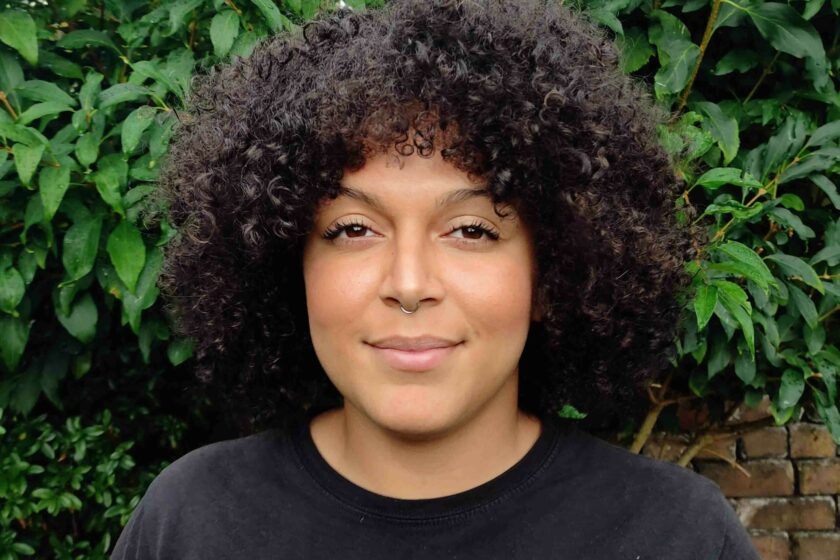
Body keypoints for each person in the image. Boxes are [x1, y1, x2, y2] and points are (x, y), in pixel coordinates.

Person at [111, 0, 761, 558]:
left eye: (472, 229)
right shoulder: (193, 521)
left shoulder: (680, 535)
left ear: (555, 267)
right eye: (353, 229)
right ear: (288, 260)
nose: (410, 282)